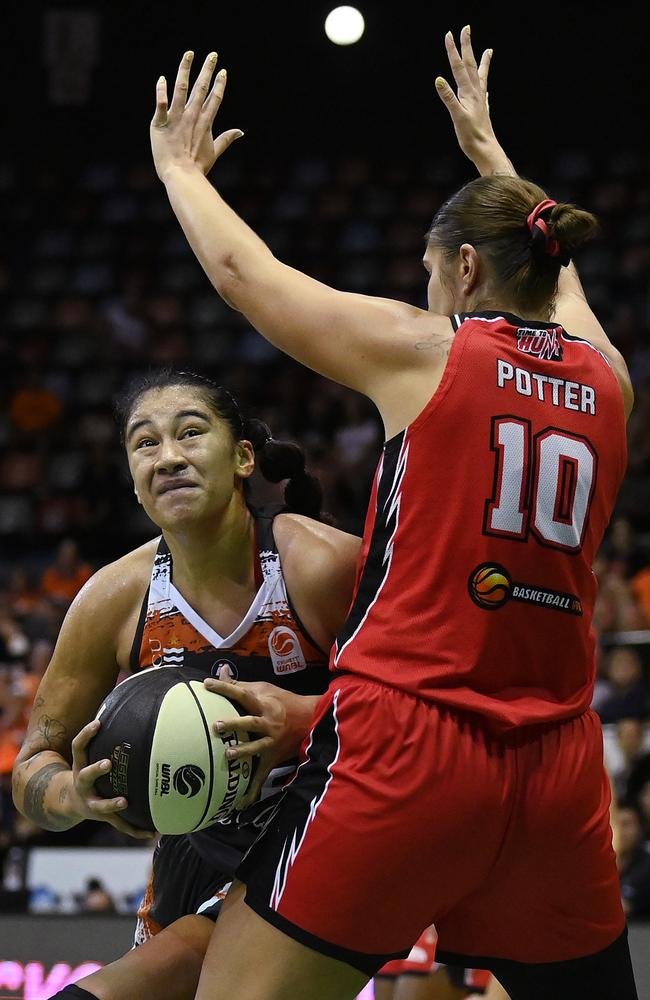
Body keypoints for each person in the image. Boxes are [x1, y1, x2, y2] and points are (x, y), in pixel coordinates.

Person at [141, 23, 637, 1000]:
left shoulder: (436, 351)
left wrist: (178, 173)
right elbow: (553, 278)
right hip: (555, 766)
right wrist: (496, 162)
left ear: (462, 271)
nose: (423, 286)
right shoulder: (610, 379)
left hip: (407, 747)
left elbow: (248, 280)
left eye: (427, 268)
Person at [12, 368, 360, 1000]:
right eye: (145, 444)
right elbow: (32, 766)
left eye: (191, 434)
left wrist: (305, 718)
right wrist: (72, 796)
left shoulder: (322, 565)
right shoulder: (113, 598)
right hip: (194, 854)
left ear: (243, 458)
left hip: (325, 839)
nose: (168, 457)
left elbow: (426, 704)